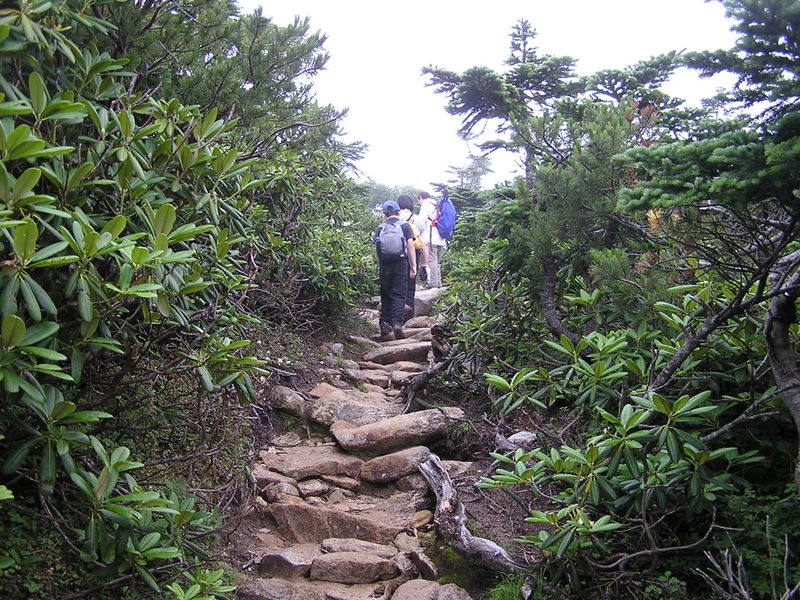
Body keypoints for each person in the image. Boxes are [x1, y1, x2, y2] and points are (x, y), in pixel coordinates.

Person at [374, 200, 417, 339]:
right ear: (398, 212)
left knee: (385, 293)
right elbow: (410, 245)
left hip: (385, 264)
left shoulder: (380, 228)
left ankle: (385, 324)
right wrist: (413, 265)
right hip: (401, 263)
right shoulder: (405, 226)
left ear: (385, 214)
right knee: (399, 294)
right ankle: (397, 323)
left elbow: (377, 248)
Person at [397, 194, 427, 321]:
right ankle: (409, 318)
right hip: (415, 253)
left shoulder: (395, 218)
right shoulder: (418, 220)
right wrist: (425, 265)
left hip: (398, 254)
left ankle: (397, 317)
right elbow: (424, 243)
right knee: (410, 287)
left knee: (398, 286)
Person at [416, 190, 446, 288]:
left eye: (419, 200)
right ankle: (438, 283)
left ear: (420, 197)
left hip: (431, 237)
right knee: (437, 262)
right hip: (442, 238)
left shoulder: (425, 205)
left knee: (432, 261)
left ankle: (433, 284)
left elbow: (421, 221)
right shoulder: (437, 204)